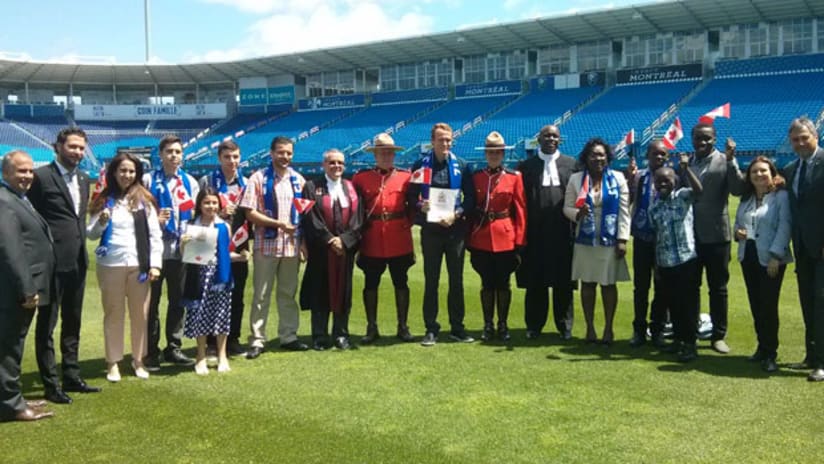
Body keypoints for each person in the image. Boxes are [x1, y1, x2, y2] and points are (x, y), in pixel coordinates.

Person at [27, 127, 100, 398]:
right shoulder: (41, 177)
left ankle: (71, 375)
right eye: (73, 147)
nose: (78, 153)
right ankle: (50, 384)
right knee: (47, 324)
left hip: (78, 262)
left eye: (81, 148)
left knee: (73, 321)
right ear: (57, 146)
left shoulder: (82, 178)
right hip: (50, 263)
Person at [87, 153, 163, 382]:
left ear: (137, 174)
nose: (127, 175)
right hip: (111, 264)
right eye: (122, 171)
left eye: (131, 171)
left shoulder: (144, 200)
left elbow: (155, 235)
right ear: (113, 173)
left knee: (140, 315)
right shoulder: (103, 199)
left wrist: (155, 265)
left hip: (139, 265)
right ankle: (113, 362)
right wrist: (101, 223)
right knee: (113, 314)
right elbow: (90, 234)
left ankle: (139, 359)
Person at [407, 123, 476, 346]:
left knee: (456, 281)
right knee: (431, 281)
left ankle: (457, 327)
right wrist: (421, 206)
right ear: (432, 141)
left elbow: (471, 200)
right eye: (440, 139)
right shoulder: (420, 165)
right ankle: (431, 328)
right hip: (432, 232)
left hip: (455, 231)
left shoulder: (462, 166)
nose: (445, 143)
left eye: (448, 139)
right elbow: (411, 197)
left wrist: (456, 214)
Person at [240, 135, 308, 358]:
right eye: (281, 152)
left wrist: (303, 244)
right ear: (271, 153)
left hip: (291, 246)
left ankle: (289, 335)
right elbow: (249, 212)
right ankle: (258, 339)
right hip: (266, 244)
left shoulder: (298, 180)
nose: (285, 156)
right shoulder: (258, 179)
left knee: (288, 293)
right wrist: (277, 224)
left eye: (289, 153)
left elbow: (304, 216)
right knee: (261, 294)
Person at [0, 150, 56, 421]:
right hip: (16, 290)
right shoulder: (4, 200)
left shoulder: (17, 198)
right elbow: (11, 249)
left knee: (13, 344)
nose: (27, 176)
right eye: (21, 171)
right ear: (6, 172)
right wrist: (26, 288)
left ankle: (13, 397)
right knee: (10, 347)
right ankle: (11, 405)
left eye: (30, 171)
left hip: (23, 286)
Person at [680, 123, 745, 354]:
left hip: (717, 234)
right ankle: (690, 336)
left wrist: (731, 160)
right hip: (689, 236)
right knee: (691, 287)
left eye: (707, 138)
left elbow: (737, 189)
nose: (702, 142)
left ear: (715, 138)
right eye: (698, 138)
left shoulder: (723, 160)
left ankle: (718, 336)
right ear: (692, 139)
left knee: (718, 288)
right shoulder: (687, 162)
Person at [563, 138, 630, 345]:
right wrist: (578, 213)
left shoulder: (618, 178)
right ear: (586, 157)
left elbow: (624, 210)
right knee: (588, 284)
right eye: (593, 155)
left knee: (608, 284)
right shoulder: (576, 179)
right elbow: (566, 208)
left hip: (610, 240)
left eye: (601, 154)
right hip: (585, 239)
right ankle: (590, 328)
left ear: (607, 156)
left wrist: (622, 238)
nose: (598, 158)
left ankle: (608, 329)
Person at [143, 134, 200, 369]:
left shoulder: (190, 182)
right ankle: (150, 350)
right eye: (169, 152)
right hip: (154, 251)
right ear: (161, 154)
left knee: (178, 301)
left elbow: (195, 216)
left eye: (178, 152)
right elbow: (138, 213)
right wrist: (154, 219)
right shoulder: (147, 180)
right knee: (151, 302)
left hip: (180, 249)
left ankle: (173, 347)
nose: (174, 156)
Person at [352, 133, 416, 344]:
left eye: (389, 152)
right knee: (371, 283)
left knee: (401, 281)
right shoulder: (361, 178)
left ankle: (403, 326)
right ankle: (371, 327)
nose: (386, 155)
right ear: (375, 154)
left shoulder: (406, 177)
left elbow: (415, 203)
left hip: (398, 235)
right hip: (372, 237)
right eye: (382, 152)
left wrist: (410, 222)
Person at [516, 124, 577, 340]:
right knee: (535, 283)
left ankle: (565, 326)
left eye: (554, 136)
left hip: (563, 232)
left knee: (563, 283)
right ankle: (534, 325)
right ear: (538, 139)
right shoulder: (526, 167)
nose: (550, 139)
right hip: (535, 234)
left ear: (560, 140)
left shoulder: (572, 165)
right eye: (546, 136)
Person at [300, 149, 364, 351]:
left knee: (343, 292)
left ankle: (341, 334)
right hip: (321, 251)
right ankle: (320, 336)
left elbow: (358, 219)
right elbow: (310, 217)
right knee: (320, 292)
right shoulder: (311, 187)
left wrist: (344, 241)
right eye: (332, 163)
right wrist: (329, 240)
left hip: (344, 251)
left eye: (340, 163)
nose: (337, 166)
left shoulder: (351, 188)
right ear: (324, 165)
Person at [733, 156, 792, 373]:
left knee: (768, 305)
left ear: (772, 173)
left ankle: (771, 353)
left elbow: (785, 226)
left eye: (763, 171)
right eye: (754, 171)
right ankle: (761, 347)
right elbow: (739, 223)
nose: (759, 175)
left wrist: (776, 256)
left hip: (771, 258)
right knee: (756, 304)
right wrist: (737, 232)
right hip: (748, 255)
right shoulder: (747, 198)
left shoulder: (781, 197)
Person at [467, 132, 526, 342]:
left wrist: (520, 240)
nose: (494, 155)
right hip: (481, 235)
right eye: (490, 152)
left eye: (497, 152)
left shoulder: (513, 178)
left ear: (503, 153)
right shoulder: (476, 177)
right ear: (485, 154)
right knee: (486, 283)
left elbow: (520, 209)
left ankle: (503, 323)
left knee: (503, 283)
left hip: (505, 236)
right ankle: (487, 323)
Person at [781, 117, 824, 382]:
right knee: (807, 301)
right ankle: (811, 355)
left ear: (815, 135)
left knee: (821, 303)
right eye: (795, 139)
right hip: (803, 248)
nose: (800, 143)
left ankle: (822, 361)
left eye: (803, 138)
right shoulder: (790, 169)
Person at [648, 161, 703, 362]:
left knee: (688, 304)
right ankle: (678, 340)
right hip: (665, 263)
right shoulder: (653, 208)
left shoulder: (683, 196)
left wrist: (687, 169)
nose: (663, 183)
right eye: (659, 180)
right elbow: (657, 237)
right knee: (674, 304)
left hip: (686, 259)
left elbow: (699, 190)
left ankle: (690, 343)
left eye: (667, 180)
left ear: (675, 181)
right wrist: (656, 266)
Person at [198, 140, 250, 357]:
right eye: (228, 157)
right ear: (219, 158)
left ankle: (233, 338)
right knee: (210, 292)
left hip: (239, 244)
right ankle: (210, 340)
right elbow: (197, 211)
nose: (232, 161)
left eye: (236, 157)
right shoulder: (208, 181)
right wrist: (219, 213)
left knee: (236, 294)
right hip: (212, 244)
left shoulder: (246, 183)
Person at [180, 187, 235, 375]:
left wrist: (240, 256)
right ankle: (201, 355)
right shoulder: (191, 225)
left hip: (220, 276)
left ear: (219, 205)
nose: (211, 206)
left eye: (214, 202)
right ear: (200, 205)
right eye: (206, 203)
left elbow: (226, 253)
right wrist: (183, 244)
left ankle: (222, 355)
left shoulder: (224, 226)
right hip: (198, 275)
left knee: (221, 315)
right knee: (199, 315)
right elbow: (184, 255)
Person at [627, 140, 671, 348]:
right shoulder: (640, 177)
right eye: (655, 154)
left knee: (662, 287)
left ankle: (658, 329)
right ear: (648, 155)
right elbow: (629, 199)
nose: (659, 158)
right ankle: (638, 329)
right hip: (642, 238)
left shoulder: (673, 177)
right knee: (641, 287)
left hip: (664, 240)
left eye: (663, 154)